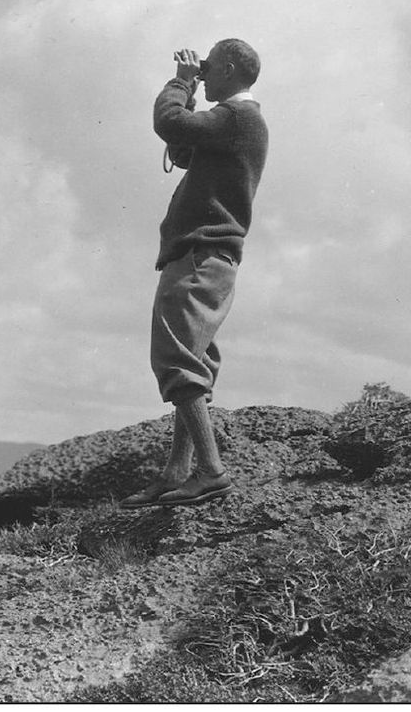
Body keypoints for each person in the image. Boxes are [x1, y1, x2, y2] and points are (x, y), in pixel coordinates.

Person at [121, 38, 269, 508]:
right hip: (210, 257)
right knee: (194, 360)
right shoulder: (237, 123)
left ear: (227, 68)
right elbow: (184, 148)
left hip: (199, 255)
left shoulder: (237, 117)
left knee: (176, 359)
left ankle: (209, 471)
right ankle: (178, 471)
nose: (205, 74)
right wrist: (190, 93)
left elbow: (169, 122)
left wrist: (182, 81)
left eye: (210, 68)